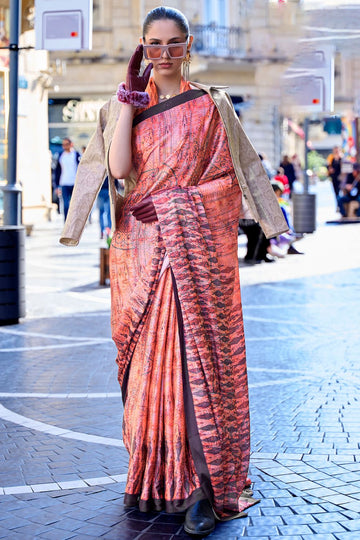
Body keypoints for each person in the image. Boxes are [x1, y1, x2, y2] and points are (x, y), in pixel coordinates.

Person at [60, 6, 287, 537]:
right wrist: (126, 102)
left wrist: (171, 207)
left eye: (173, 43)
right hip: (139, 254)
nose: (163, 54)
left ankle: (204, 488)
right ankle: (157, 478)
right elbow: (117, 172)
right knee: (144, 370)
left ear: (188, 47)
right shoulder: (125, 107)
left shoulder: (211, 106)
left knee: (193, 369)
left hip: (193, 254)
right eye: (153, 44)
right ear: (140, 48)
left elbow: (229, 184)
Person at [55, 138, 81, 220]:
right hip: (64, 183)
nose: (64, 146)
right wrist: (56, 185)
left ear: (71, 144)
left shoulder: (76, 155)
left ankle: (75, 221)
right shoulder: (60, 156)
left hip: (75, 183)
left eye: (66, 144)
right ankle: (66, 222)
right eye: (63, 145)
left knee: (75, 205)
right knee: (66, 204)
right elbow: (57, 171)